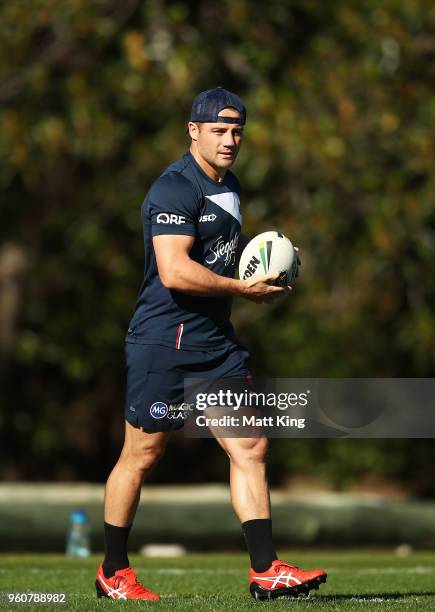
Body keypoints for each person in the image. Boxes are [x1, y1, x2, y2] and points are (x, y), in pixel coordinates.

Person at [95, 87, 327, 601]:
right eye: (219, 130)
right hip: (164, 341)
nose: (229, 140)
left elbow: (220, 254)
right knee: (142, 455)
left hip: (215, 343)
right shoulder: (172, 189)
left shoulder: (231, 185)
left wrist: (273, 257)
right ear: (193, 131)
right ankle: (113, 570)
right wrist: (242, 289)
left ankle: (265, 569)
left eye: (237, 131)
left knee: (250, 446)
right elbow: (175, 271)